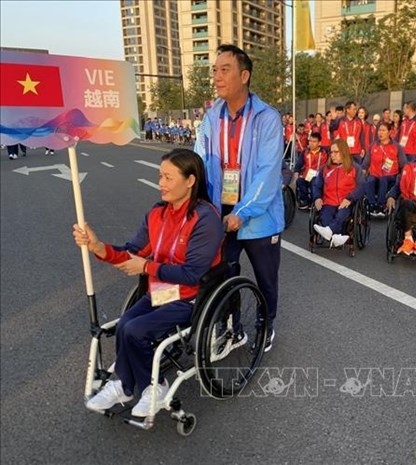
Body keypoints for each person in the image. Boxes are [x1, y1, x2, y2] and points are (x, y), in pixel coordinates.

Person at [74, 148, 224, 416]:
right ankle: (124, 384)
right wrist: (98, 247)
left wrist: (146, 266)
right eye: (160, 176)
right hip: (161, 292)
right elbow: (132, 250)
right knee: (124, 327)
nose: (161, 184)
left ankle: (154, 387)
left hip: (192, 296)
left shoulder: (206, 218)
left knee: (136, 330)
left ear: (190, 181)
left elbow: (192, 274)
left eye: (168, 177)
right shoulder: (157, 214)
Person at [195, 44, 283, 352]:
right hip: (222, 213)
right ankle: (232, 328)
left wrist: (241, 213)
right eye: (215, 71)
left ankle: (267, 324)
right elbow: (200, 162)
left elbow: (268, 173)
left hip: (258, 218)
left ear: (244, 75)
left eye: (225, 70)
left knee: (266, 279)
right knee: (223, 274)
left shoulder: (267, 118)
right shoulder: (210, 118)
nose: (217, 77)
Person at [312, 138, 365, 247]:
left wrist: (350, 198)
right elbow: (316, 185)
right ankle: (337, 237)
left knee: (341, 214)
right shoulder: (325, 169)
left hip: (346, 201)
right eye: (331, 152)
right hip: (329, 201)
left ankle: (330, 232)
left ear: (343, 152)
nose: (332, 155)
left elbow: (362, 187)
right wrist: (317, 197)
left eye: (336, 152)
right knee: (325, 216)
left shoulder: (355, 168)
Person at [362, 121, 407, 217]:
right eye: (379, 130)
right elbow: (365, 163)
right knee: (369, 180)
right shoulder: (373, 146)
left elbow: (403, 164)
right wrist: (362, 172)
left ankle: (381, 205)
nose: (380, 133)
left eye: (383, 130)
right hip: (375, 174)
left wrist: (402, 176)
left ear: (389, 132)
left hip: (390, 175)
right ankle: (372, 205)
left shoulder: (396, 147)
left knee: (383, 180)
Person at [293, 131, 329, 210]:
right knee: (299, 181)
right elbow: (299, 164)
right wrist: (296, 173)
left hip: (319, 177)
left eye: (314, 141)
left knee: (315, 181)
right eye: (310, 141)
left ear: (319, 143)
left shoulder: (325, 152)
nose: (311, 143)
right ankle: (306, 201)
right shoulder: (305, 152)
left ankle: (314, 200)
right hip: (307, 176)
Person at [336, 101, 365, 165]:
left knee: (357, 171)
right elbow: (336, 136)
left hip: (357, 151)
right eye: (353, 109)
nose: (355, 111)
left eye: (355, 109)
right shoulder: (341, 121)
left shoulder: (358, 121)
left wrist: (363, 148)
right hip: (345, 151)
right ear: (348, 110)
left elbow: (362, 135)